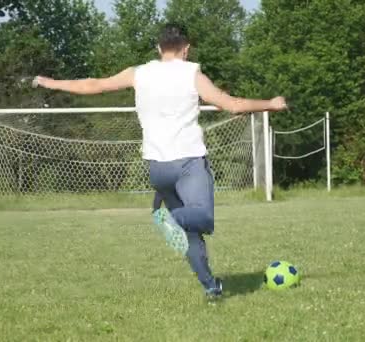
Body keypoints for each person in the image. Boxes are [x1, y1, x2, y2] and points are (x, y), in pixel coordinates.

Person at [33, 23, 287, 302]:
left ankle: (211, 286)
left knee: (191, 234)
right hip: (188, 163)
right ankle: (171, 218)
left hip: (157, 168)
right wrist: (271, 104)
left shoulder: (138, 73)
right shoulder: (192, 73)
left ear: (159, 48)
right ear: (186, 48)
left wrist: (52, 82)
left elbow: (94, 84)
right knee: (202, 217)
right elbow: (233, 104)